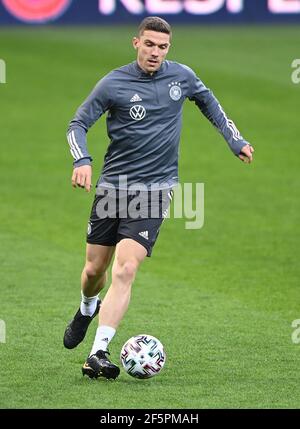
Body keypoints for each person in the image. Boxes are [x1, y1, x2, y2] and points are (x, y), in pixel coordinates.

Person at [64, 16, 254, 380]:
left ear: (169, 48)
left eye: (162, 47)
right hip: (112, 189)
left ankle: (98, 352)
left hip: (155, 190)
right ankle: (88, 307)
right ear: (136, 42)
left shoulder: (181, 76)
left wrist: (235, 140)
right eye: (149, 44)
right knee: (93, 271)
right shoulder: (113, 83)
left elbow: (209, 102)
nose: (155, 52)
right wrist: (82, 160)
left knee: (126, 267)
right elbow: (77, 124)